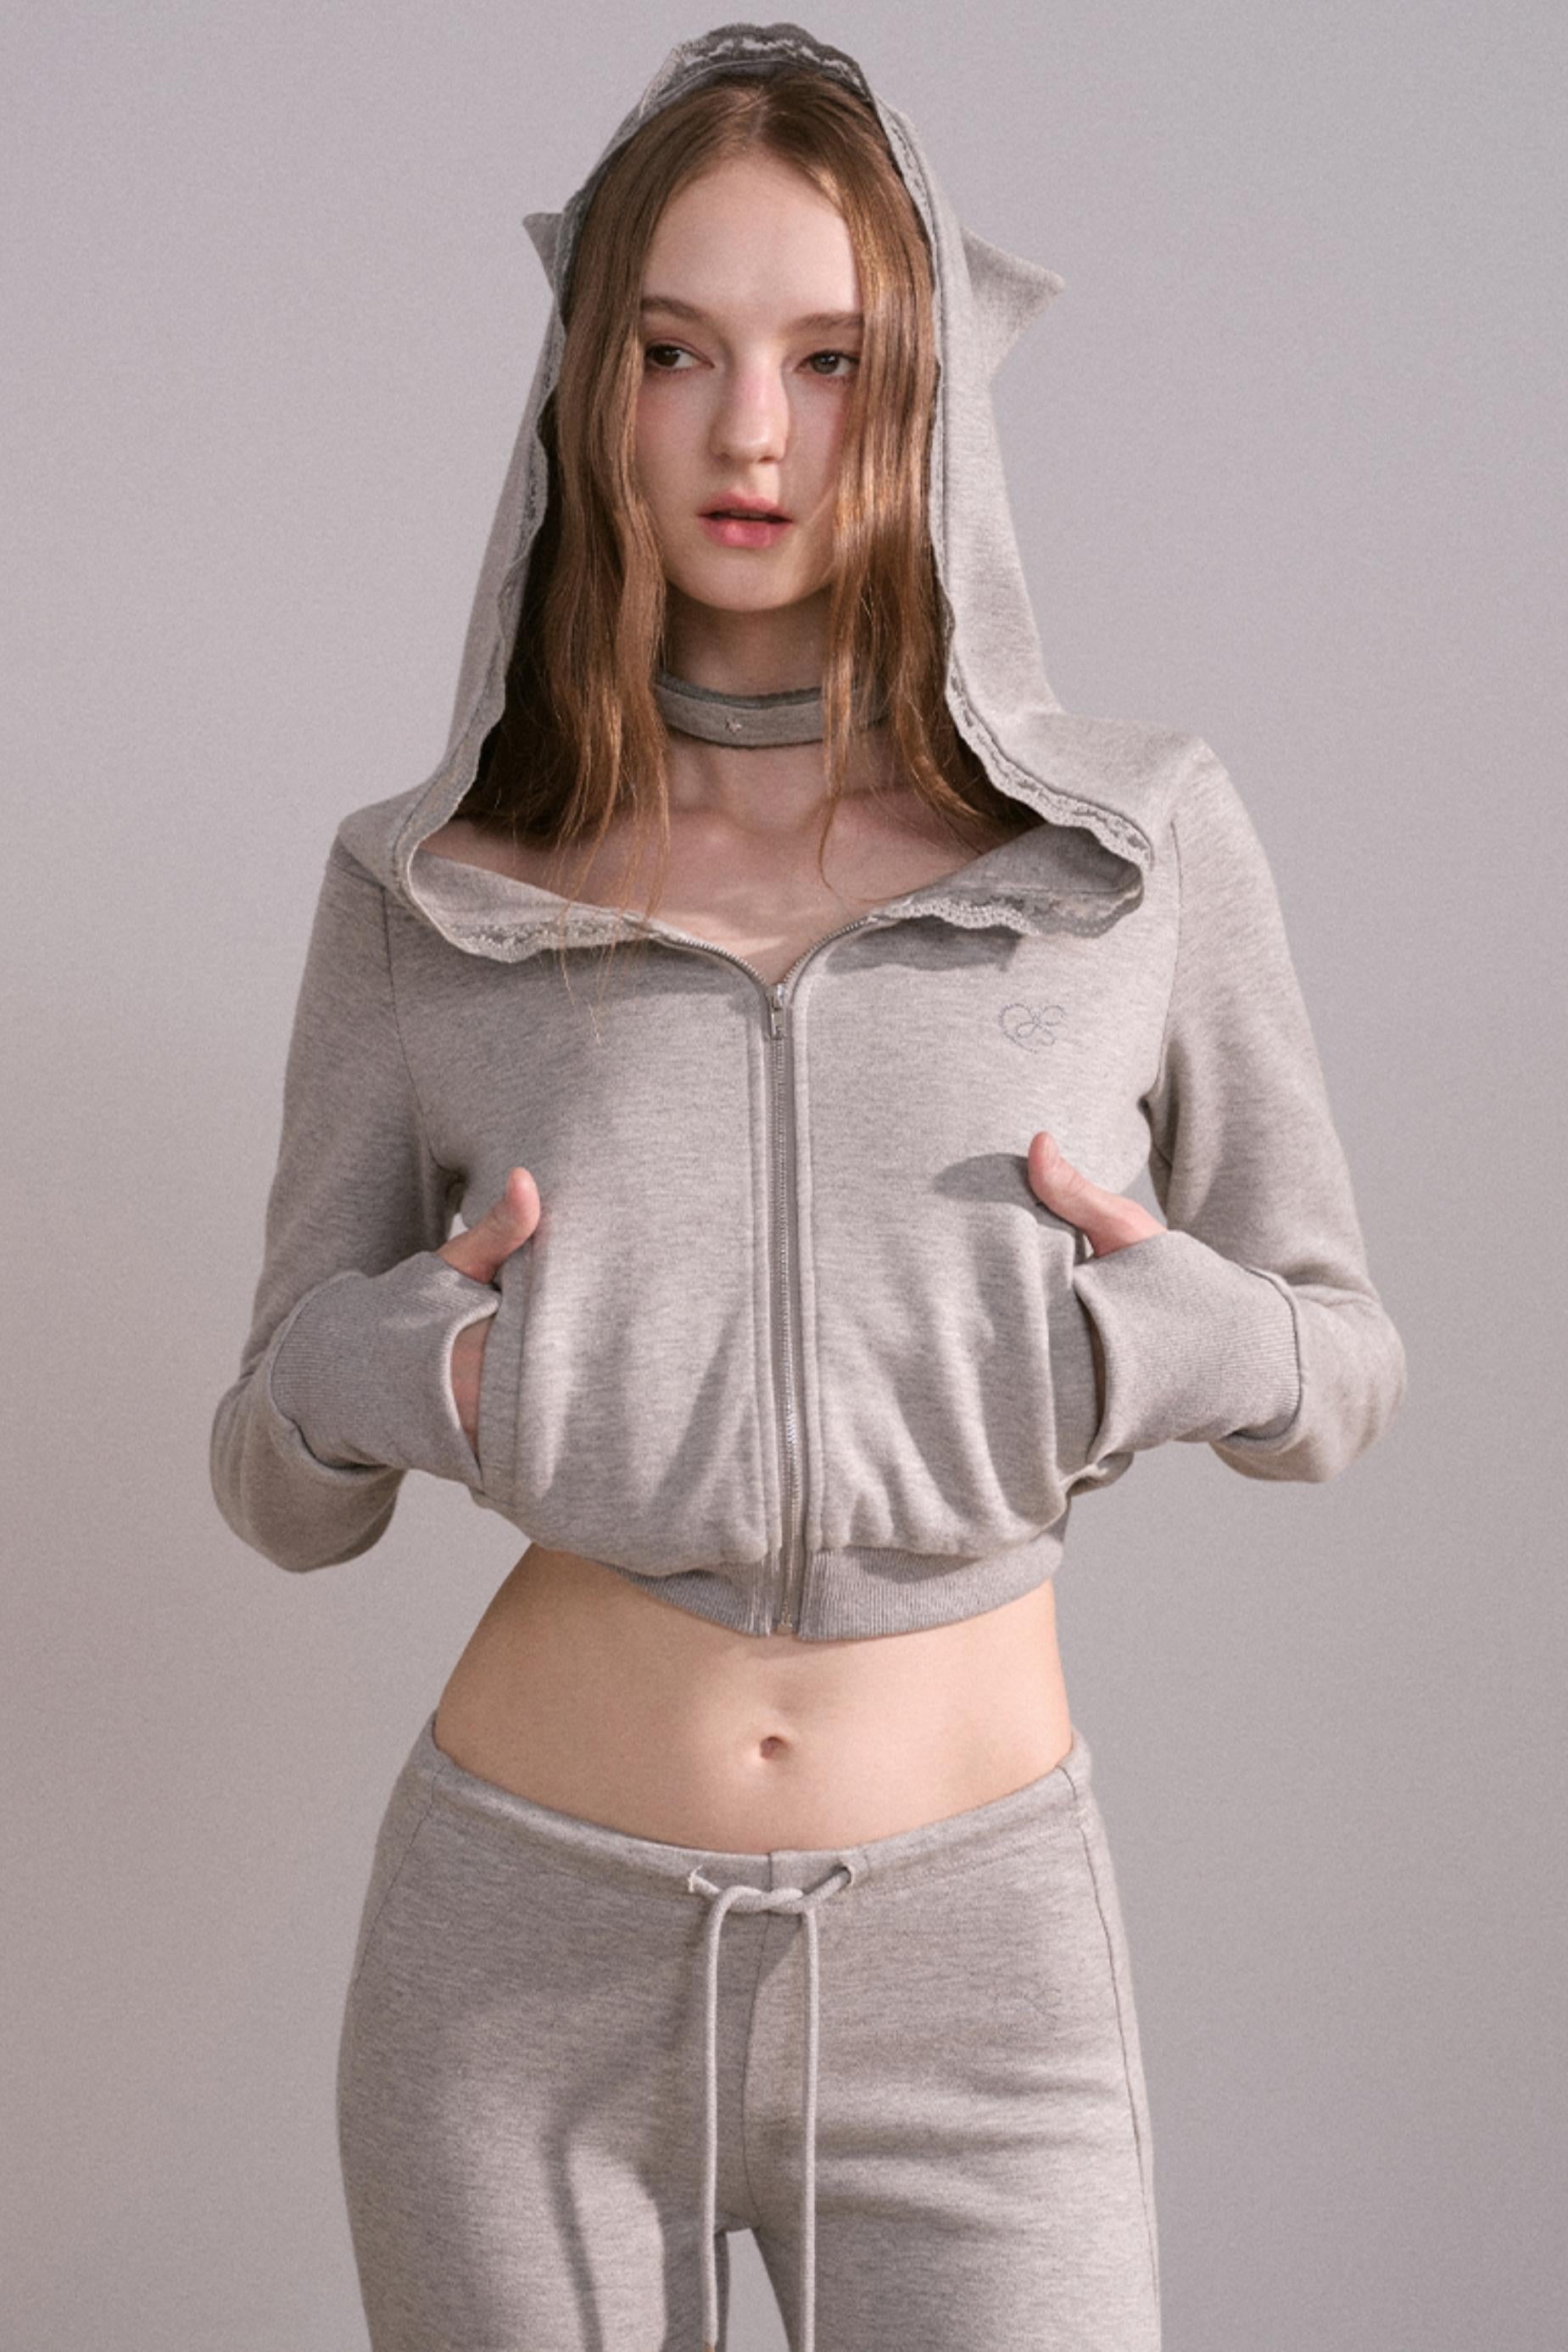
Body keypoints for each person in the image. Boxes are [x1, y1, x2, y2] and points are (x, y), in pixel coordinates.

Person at [209, 23, 1408, 2352]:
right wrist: (377, 1371)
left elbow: (1339, 1371)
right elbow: (271, 1480)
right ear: (592, 392)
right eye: (676, 352)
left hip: (976, 1976)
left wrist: (1168, 1339)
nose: (749, 433)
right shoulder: (428, 886)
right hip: (513, 1972)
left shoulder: (1130, 853)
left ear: (930, 392)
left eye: (830, 358)